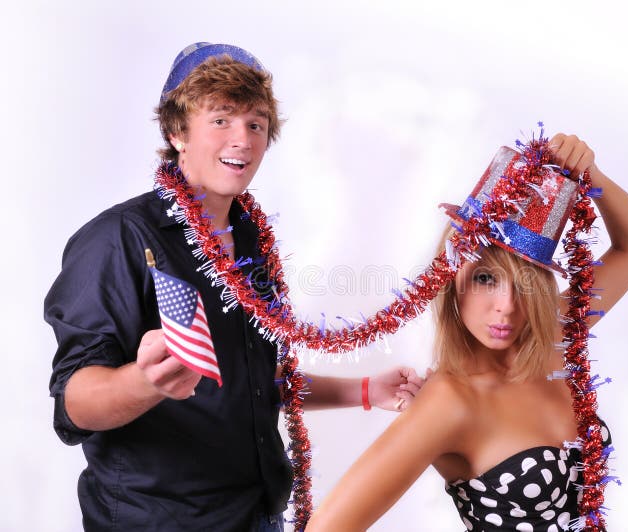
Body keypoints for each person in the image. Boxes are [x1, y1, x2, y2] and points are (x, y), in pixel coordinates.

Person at [44, 42, 423, 532]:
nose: (242, 138)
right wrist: (144, 382)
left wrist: (364, 389)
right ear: (178, 132)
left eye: (256, 123)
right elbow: (73, 404)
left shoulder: (250, 238)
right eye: (221, 119)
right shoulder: (117, 239)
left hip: (257, 515)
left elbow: (252, 382)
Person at [306, 133, 628, 531]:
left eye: (525, 282)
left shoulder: (555, 335)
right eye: (486, 278)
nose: (507, 306)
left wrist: (590, 175)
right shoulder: (449, 401)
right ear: (452, 274)